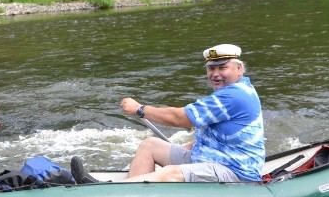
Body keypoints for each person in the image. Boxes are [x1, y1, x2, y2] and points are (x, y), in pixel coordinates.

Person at [70, 44, 265, 184]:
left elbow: (179, 118)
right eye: (211, 68)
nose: (215, 73)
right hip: (209, 159)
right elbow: (221, 131)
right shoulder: (234, 90)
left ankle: (112, 193)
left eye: (222, 67)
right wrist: (192, 145)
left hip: (234, 171)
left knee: (171, 172)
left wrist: (140, 109)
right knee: (150, 145)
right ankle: (131, 191)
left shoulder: (234, 96)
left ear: (239, 69)